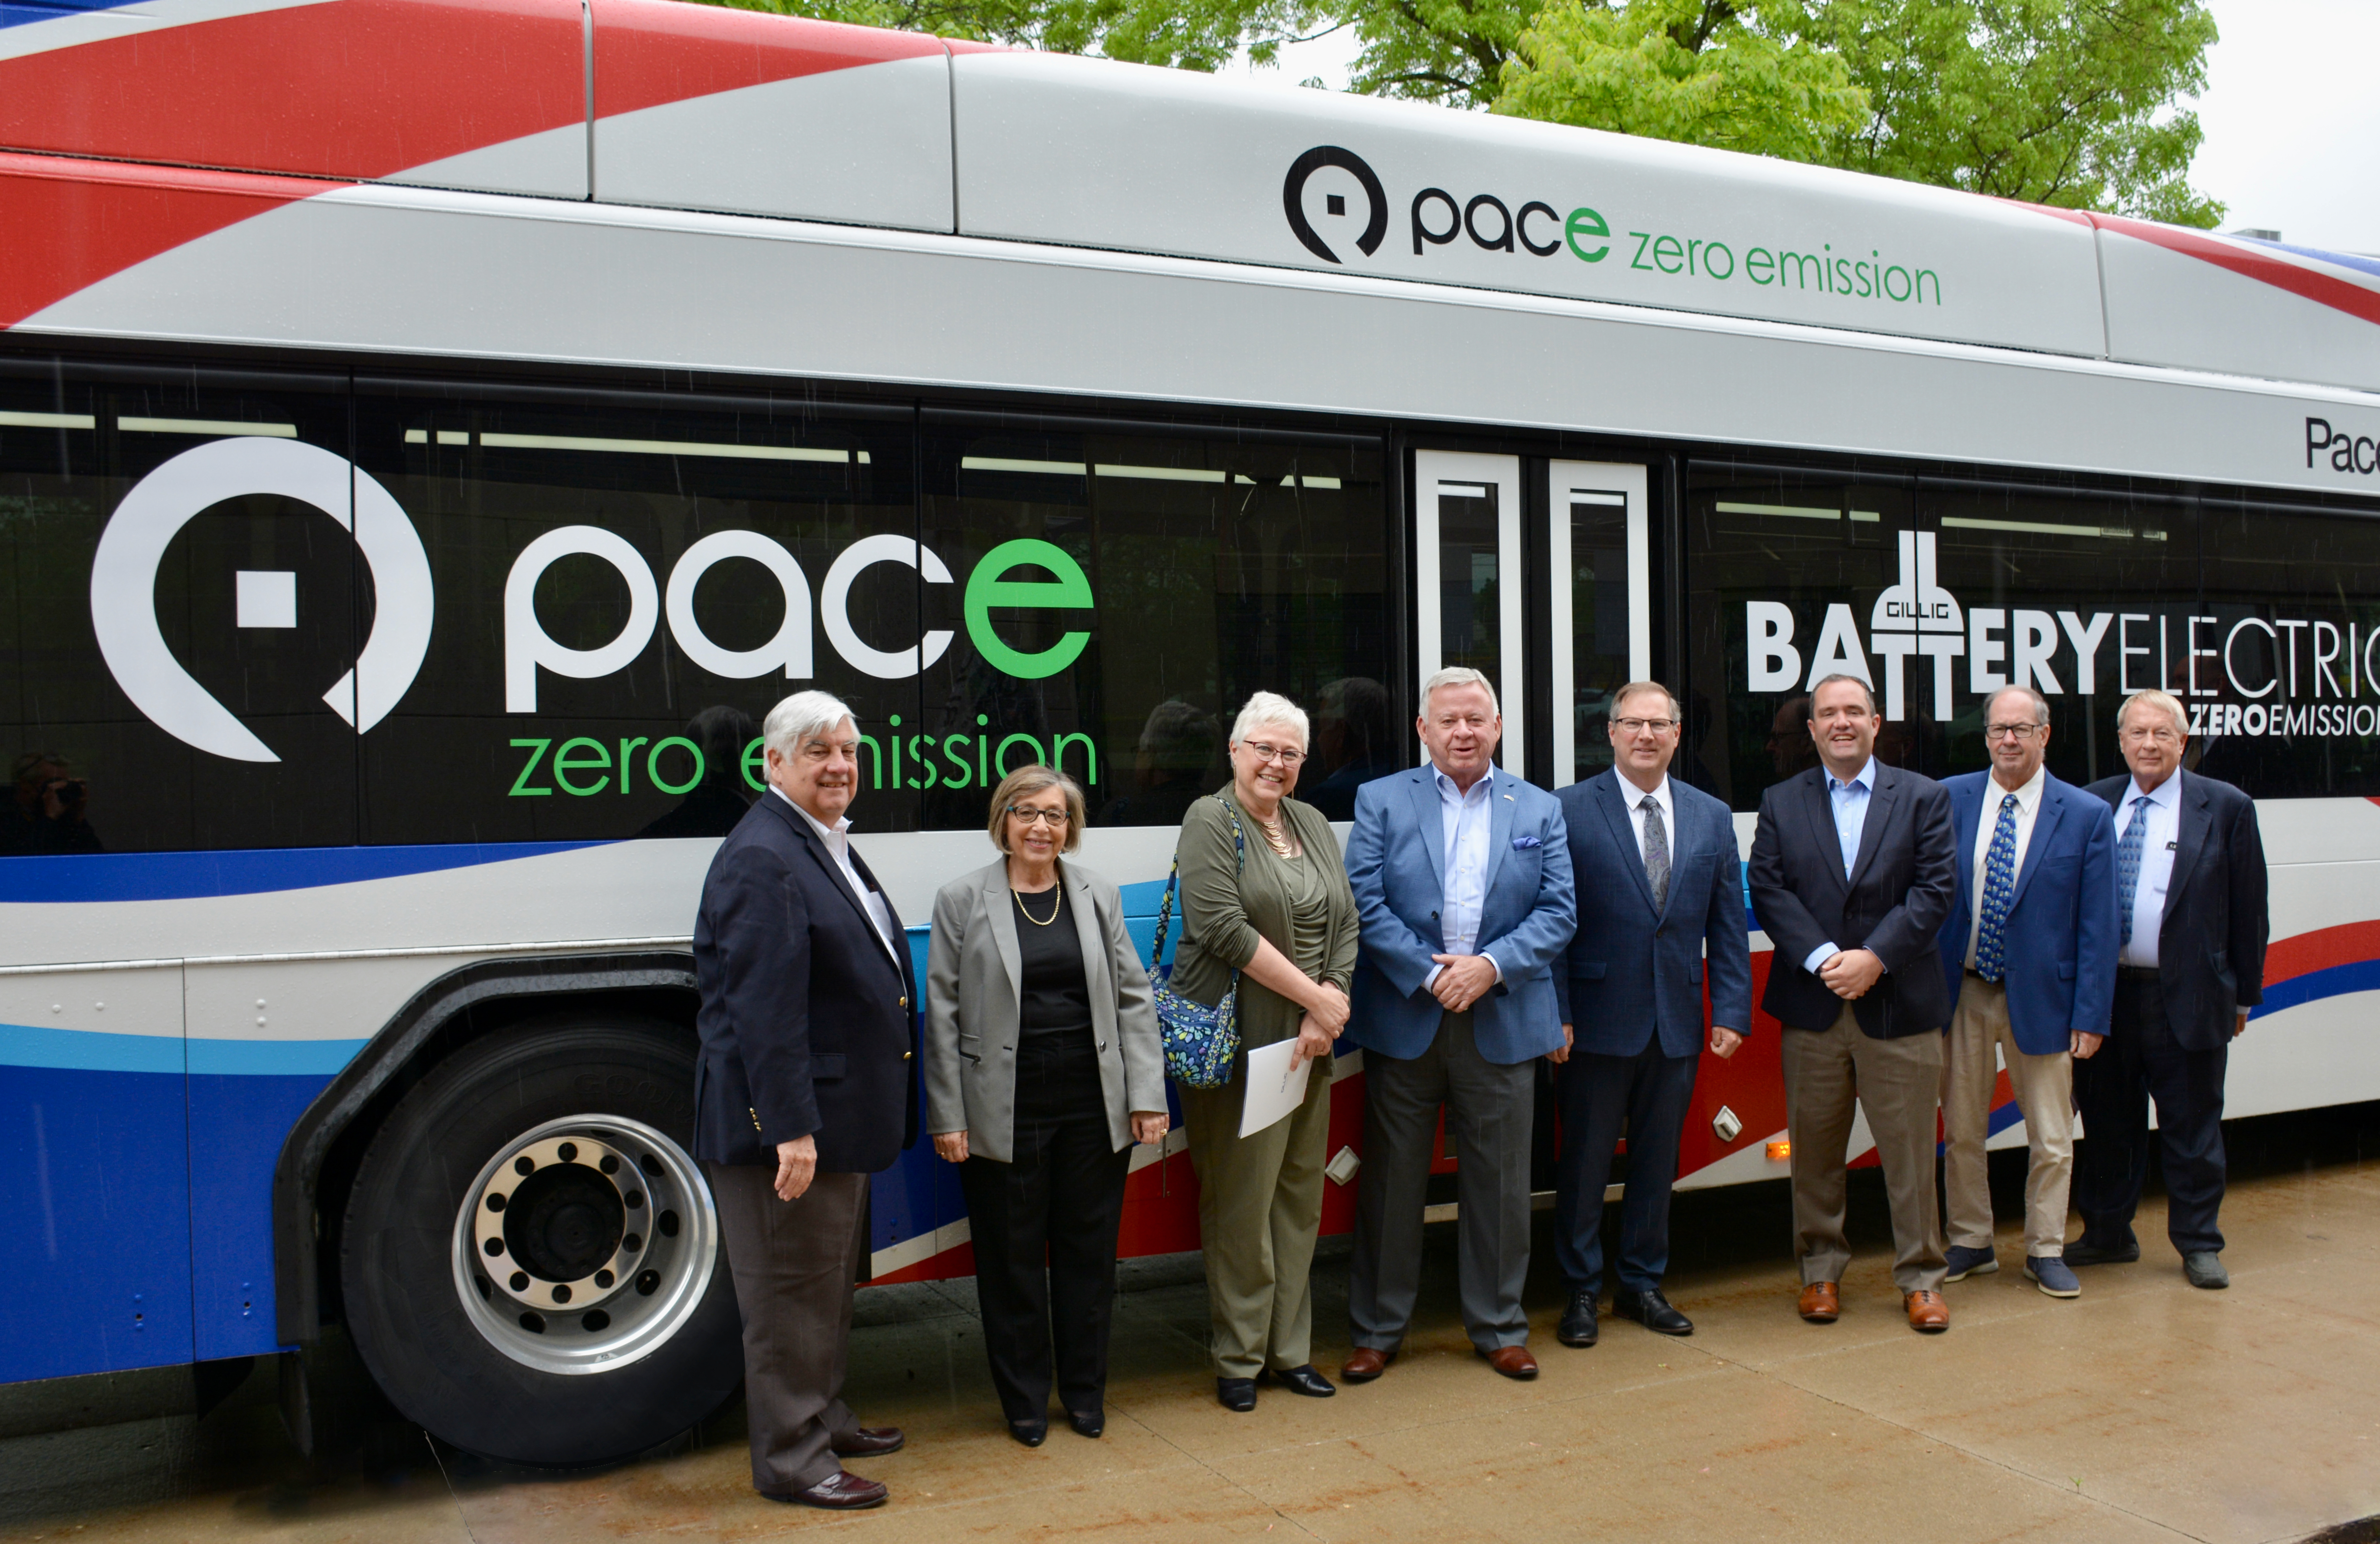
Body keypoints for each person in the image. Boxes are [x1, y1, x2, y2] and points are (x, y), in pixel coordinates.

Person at [690, 690, 917, 1511]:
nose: (839, 766)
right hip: (787, 1129)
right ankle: (793, 1459)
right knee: (787, 1298)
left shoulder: (816, 842)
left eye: (849, 751)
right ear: (773, 763)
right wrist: (789, 1129)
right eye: (818, 751)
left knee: (819, 1289)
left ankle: (825, 1418)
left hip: (833, 1116)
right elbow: (764, 1011)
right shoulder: (763, 855)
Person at [924, 766, 1169, 1446]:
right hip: (1003, 1107)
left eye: (1055, 816)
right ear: (1002, 820)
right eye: (1026, 812)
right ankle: (1025, 1401)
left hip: (1094, 1107)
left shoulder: (1098, 894)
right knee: (1011, 1262)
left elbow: (1132, 998)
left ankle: (1086, 1393)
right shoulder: (961, 898)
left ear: (1072, 827)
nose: (1041, 827)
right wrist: (948, 1115)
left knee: (1090, 1260)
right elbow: (941, 1012)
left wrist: (1146, 1097)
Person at [1342, 667, 1575, 1383]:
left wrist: (1490, 967)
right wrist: (1431, 972)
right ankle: (1378, 1330)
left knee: (1501, 1187)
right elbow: (1363, 899)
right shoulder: (1379, 800)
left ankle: (1500, 1325)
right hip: (1407, 1018)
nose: (1464, 732)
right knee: (1392, 1185)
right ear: (1423, 729)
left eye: (1476, 719)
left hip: (1501, 1017)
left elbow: (1559, 912)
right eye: (1448, 720)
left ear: (1498, 727)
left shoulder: (1538, 808)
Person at [1746, 674, 1958, 1333]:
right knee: (1813, 1155)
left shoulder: (1923, 797)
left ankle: (1921, 1278)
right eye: (1827, 713)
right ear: (1810, 730)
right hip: (1813, 1008)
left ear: (1876, 724)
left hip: (1899, 1006)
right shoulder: (1781, 802)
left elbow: (1935, 889)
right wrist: (1823, 959)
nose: (1841, 722)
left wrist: (1874, 957)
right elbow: (1769, 887)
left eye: (1853, 712)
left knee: (1910, 1158)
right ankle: (1819, 1274)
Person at [1169, 691, 1360, 1412]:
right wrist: (1317, 998)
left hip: (1313, 1035)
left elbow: (1346, 917)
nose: (1275, 764)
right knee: (1240, 1200)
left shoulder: (1310, 821)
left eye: (1290, 753)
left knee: (1298, 1196)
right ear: (1235, 751)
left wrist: (1328, 1001)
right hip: (1243, 1030)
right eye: (1264, 749)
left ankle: (1290, 1353)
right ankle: (1238, 1359)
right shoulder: (1209, 820)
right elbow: (1221, 927)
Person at [1547, 682, 1750, 1349]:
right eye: (1632, 723)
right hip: (1596, 1020)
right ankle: (1580, 1289)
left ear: (1676, 734)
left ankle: (1641, 1282)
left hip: (1677, 1020)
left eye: (1658, 724)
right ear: (1609, 733)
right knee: (1584, 1161)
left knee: (1657, 1161)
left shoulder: (1712, 815)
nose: (1645, 735)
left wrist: (1731, 1008)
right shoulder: (1567, 810)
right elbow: (1551, 924)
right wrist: (1559, 1012)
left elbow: (1725, 923)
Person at [2072, 688, 2268, 1289]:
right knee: (2107, 1123)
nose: (2149, 744)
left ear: (2183, 743)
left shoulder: (2226, 806)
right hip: (2106, 998)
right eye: (2138, 733)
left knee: (2191, 1127)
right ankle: (2108, 1232)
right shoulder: (2091, 805)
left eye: (2163, 733)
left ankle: (2198, 1243)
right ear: (2121, 741)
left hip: (2187, 995)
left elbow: (2248, 909)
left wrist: (2240, 996)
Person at [1931, 685, 2118, 1300]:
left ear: (2044, 734)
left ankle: (2044, 1248)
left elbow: (2098, 924)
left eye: (2020, 728)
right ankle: (1971, 1240)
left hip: (2043, 997)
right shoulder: (1949, 798)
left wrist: (2091, 1012)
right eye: (1996, 729)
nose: (2007, 740)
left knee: (2052, 1136)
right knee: (1961, 1129)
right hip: (1963, 991)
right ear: (1984, 736)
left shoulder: (2085, 813)